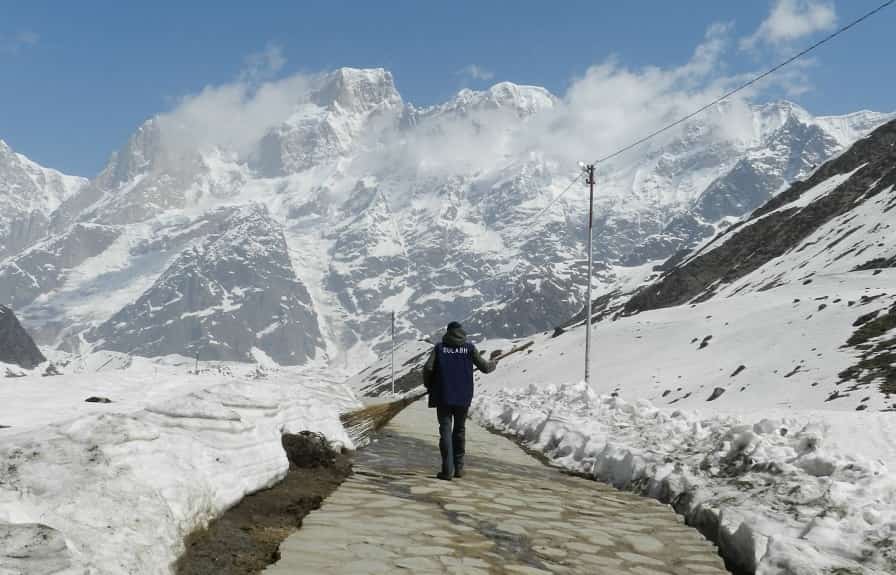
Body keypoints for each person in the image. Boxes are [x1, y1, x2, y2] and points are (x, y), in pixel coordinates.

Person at [422, 321, 497, 480]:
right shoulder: (469, 348)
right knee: (460, 430)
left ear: (448, 332)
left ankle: (447, 470)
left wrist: (430, 386)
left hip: (443, 396)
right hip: (463, 396)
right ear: (462, 332)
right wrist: (494, 363)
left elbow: (428, 368)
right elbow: (485, 368)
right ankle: (459, 468)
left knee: (445, 431)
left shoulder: (440, 348)